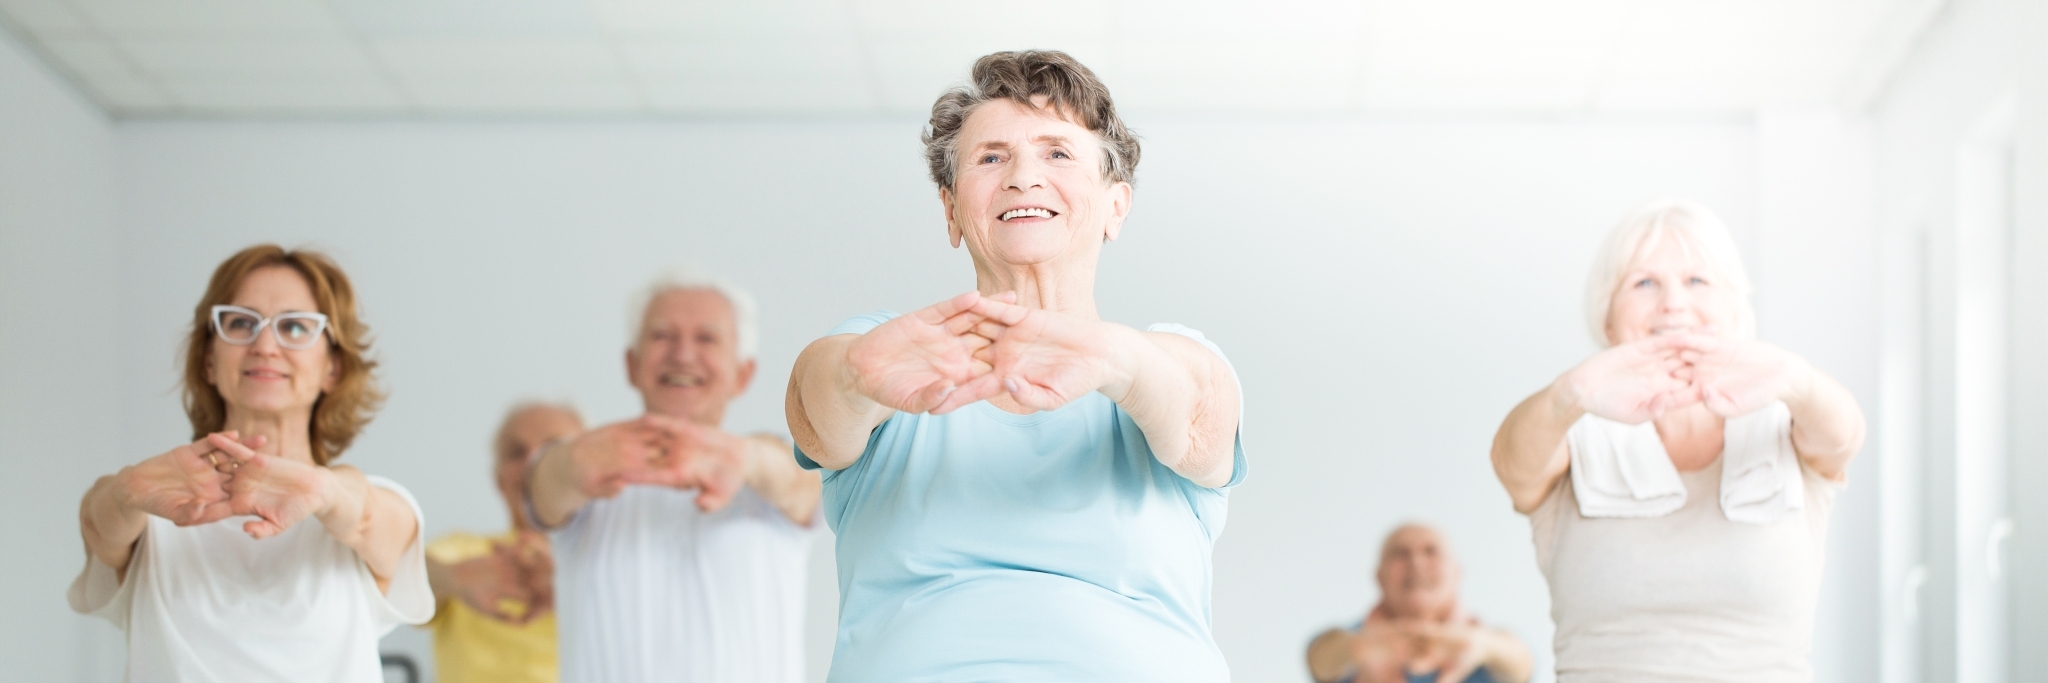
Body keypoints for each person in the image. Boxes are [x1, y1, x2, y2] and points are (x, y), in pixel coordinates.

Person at [785, 50, 1246, 681]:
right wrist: (853, 376)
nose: (1023, 176)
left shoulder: (1165, 358)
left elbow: (1200, 413)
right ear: (951, 211)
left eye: (1058, 152)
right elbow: (817, 411)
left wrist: (1107, 356)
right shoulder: (889, 356)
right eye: (991, 157)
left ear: (1116, 206)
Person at [1489, 201, 1865, 682]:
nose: (1673, 304)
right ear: (1607, 318)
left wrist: (1794, 378)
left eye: (1697, 281)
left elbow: (1846, 436)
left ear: (1734, 309)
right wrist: (1571, 393)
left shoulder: (1785, 424)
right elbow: (1509, 462)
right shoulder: (1573, 433)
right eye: (1644, 283)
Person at [69, 244, 429, 682]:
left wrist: (326, 488)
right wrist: (127, 491)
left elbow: (368, 515)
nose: (264, 345)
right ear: (208, 361)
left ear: (332, 367)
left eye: (295, 327)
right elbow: (98, 521)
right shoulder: (154, 508)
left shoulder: (368, 507)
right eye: (240, 323)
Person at [524, 271, 821, 683]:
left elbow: (802, 482)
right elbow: (541, 485)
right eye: (662, 335)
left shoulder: (766, 471)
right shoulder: (588, 476)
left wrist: (744, 458)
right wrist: (570, 462)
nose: (682, 355)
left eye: (707, 339)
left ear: (743, 374)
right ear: (632, 364)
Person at [421, 402, 583, 683]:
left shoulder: (617, 556)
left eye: (552, 449)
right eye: (516, 452)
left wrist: (572, 582)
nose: (533, 462)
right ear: (499, 480)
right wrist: (455, 576)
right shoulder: (464, 550)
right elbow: (395, 579)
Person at [1306, 524, 1532, 683]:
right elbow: (1318, 660)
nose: (1416, 563)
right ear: (1379, 576)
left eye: (1431, 551)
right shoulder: (1360, 636)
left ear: (1456, 572)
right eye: (1400, 554)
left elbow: (1523, 665)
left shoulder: (1481, 639)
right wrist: (1359, 647)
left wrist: (1480, 645)